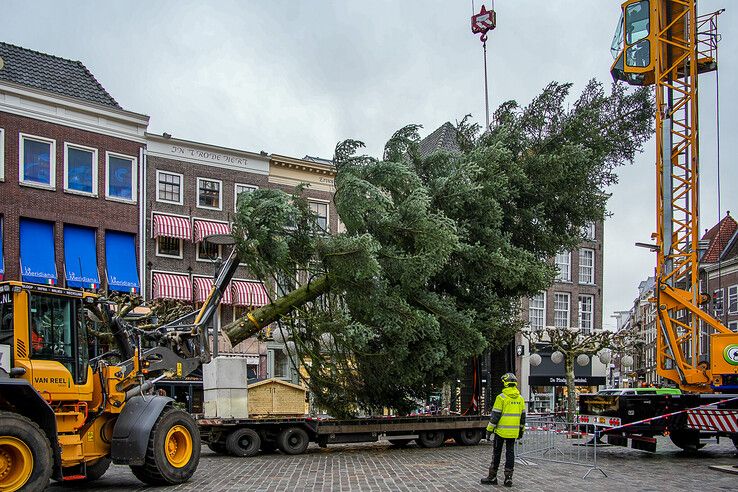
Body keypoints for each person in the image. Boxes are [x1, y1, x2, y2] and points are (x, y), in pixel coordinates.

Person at [481, 373, 526, 487]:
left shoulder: (501, 397)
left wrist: (489, 431)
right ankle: (508, 479)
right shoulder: (520, 399)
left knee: (497, 453)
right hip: (513, 432)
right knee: (510, 454)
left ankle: (492, 477)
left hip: (500, 432)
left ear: (505, 383)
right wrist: (521, 432)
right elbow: (522, 418)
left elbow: (495, 416)